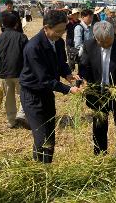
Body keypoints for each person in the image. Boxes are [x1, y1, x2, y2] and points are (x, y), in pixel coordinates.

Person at [19, 10, 82, 163]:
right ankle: (42, 171)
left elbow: (61, 63)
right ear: (46, 27)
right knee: (43, 140)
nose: (61, 34)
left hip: (47, 94)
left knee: (49, 136)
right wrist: (68, 89)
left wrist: (68, 75)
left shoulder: (58, 42)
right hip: (33, 96)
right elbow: (44, 78)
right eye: (58, 31)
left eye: (63, 30)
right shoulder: (34, 47)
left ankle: (41, 166)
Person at [79, 21, 116, 155]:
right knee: (99, 126)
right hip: (97, 93)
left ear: (113, 36)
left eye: (108, 41)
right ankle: (100, 154)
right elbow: (84, 67)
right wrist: (85, 81)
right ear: (96, 38)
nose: (105, 45)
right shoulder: (88, 46)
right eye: (102, 42)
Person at [0, 13, 29, 128]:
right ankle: (22, 115)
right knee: (25, 95)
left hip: (4, 73)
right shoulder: (22, 37)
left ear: (2, 24)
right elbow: (27, 56)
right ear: (17, 24)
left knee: (9, 99)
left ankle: (11, 121)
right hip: (20, 72)